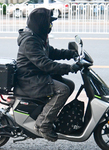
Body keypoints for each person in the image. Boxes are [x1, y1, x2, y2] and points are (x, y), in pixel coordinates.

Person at [15, 8, 81, 142]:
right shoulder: (30, 41)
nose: (51, 25)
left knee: (70, 84)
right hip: (29, 79)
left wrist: (70, 54)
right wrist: (69, 68)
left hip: (37, 75)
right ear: (42, 23)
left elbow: (50, 52)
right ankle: (43, 125)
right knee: (62, 90)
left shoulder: (37, 36)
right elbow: (45, 64)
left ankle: (49, 113)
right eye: (50, 22)